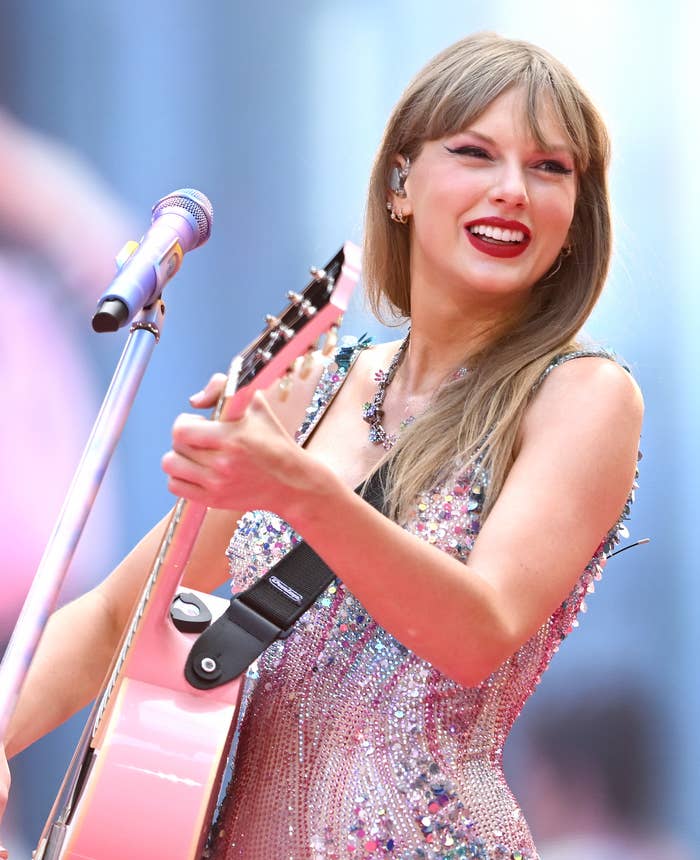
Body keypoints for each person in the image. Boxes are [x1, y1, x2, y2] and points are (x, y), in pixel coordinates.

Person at [0, 32, 643, 860]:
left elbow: (478, 631)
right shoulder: (312, 383)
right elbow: (123, 611)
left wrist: (300, 490)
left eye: (551, 168)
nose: (513, 189)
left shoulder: (581, 395)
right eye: (476, 153)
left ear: (575, 215)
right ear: (402, 183)